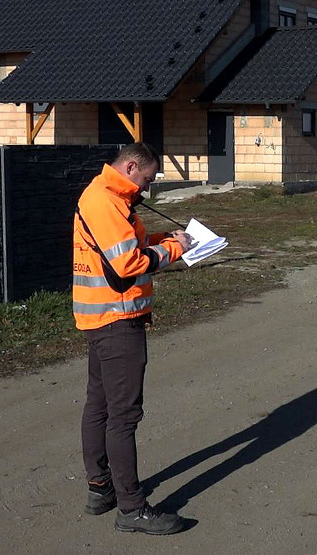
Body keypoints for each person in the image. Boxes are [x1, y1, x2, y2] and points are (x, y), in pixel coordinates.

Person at [72, 142, 193, 535]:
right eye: (146, 178)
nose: (148, 187)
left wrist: (161, 236)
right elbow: (126, 266)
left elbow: (123, 244)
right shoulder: (105, 201)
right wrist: (173, 249)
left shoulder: (108, 198)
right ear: (129, 166)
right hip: (117, 319)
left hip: (101, 316)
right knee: (123, 416)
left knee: (100, 405)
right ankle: (131, 508)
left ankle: (100, 487)